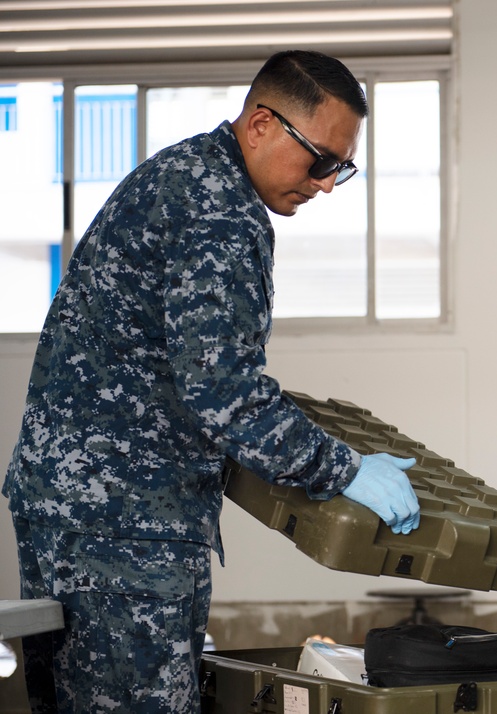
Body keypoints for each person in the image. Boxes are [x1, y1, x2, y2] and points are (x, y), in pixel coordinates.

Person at [3, 50, 421, 714]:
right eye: (319, 161)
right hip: (125, 527)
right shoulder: (217, 208)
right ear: (261, 124)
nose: (326, 185)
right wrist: (342, 469)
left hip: (81, 512)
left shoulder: (184, 174)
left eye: (341, 167)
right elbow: (221, 390)